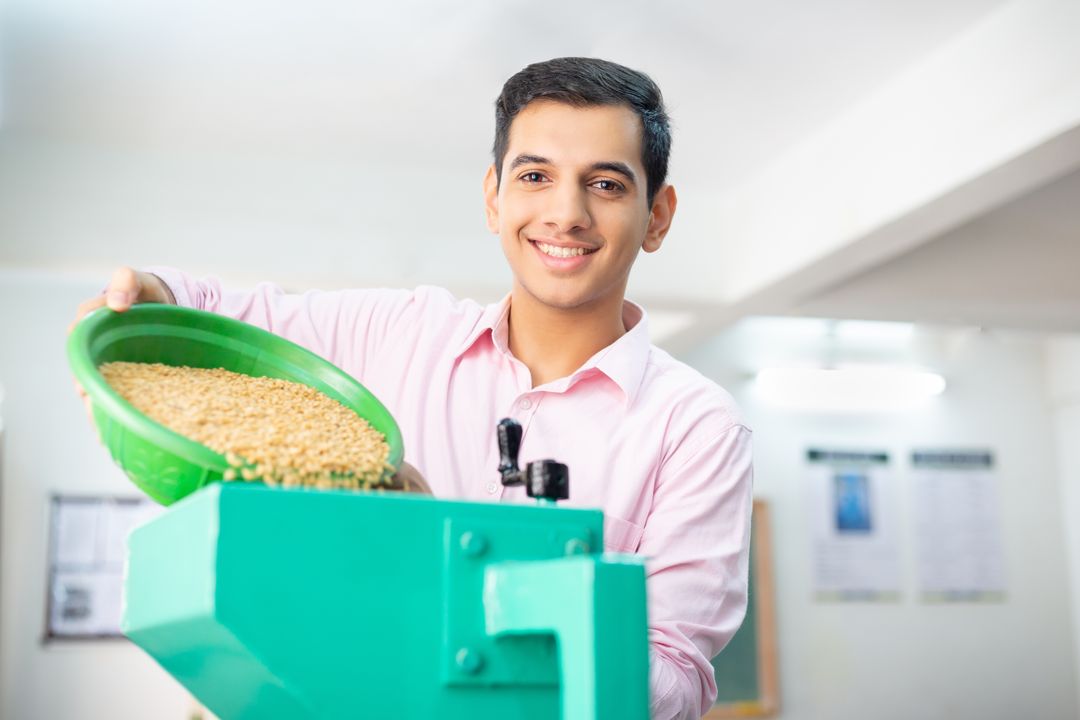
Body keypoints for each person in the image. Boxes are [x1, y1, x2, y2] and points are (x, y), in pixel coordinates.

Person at [74, 57, 753, 720]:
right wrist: (147, 300)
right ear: (494, 196)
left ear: (658, 215)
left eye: (605, 184)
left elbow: (671, 686)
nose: (566, 213)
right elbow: (216, 320)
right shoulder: (399, 330)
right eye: (536, 176)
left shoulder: (695, 427)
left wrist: (451, 553)